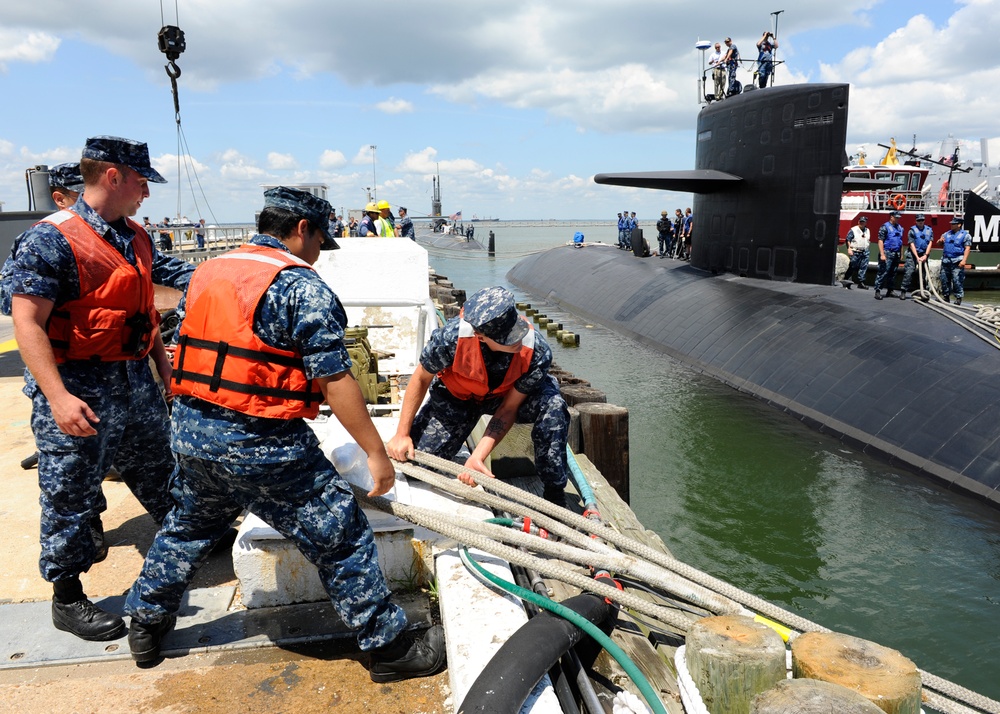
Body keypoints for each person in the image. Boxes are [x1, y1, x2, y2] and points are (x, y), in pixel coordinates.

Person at [123, 186, 446, 679]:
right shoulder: (301, 287)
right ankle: (390, 648)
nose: (320, 254)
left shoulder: (207, 272)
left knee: (187, 526)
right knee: (341, 534)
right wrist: (376, 454)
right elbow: (335, 381)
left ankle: (145, 625)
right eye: (320, 241)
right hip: (264, 446)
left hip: (191, 435)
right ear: (301, 230)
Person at [0, 135, 195, 642]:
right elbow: (27, 323)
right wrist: (58, 398)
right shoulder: (51, 238)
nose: (145, 194)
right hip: (78, 385)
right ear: (113, 176)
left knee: (160, 467)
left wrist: (163, 368)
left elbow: (144, 309)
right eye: (140, 182)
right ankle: (67, 597)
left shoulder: (134, 236)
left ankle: (184, 540)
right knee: (70, 491)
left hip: (134, 379)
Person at [387, 286, 571, 506]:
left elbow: (509, 409)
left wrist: (478, 457)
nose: (517, 340)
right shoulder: (450, 339)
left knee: (553, 405)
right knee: (416, 468)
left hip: (504, 398)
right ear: (480, 336)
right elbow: (420, 378)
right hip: (457, 398)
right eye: (507, 338)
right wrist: (402, 433)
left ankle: (554, 492)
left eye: (517, 331)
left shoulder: (536, 350)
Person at [899, 214, 934, 299]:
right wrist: (917, 257)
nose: (920, 222)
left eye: (922, 220)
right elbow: (911, 244)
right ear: (916, 221)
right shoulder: (912, 231)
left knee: (923, 273)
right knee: (909, 272)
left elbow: (930, 243)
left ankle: (922, 290)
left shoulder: (929, 230)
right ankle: (903, 291)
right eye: (919, 220)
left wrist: (925, 255)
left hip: (924, 254)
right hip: (913, 253)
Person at [940, 216, 972, 305]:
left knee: (957, 279)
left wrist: (964, 260)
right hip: (946, 260)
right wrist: (940, 241)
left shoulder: (965, 235)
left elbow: (967, 248)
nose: (951, 225)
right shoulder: (946, 234)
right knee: (944, 279)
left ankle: (958, 297)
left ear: (959, 225)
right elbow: (939, 243)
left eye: (953, 224)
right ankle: (946, 296)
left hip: (957, 261)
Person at [873, 211, 904, 300]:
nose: (897, 219)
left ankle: (890, 290)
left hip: (896, 253)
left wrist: (901, 254)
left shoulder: (899, 228)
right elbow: (880, 241)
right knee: (883, 272)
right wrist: (882, 254)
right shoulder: (885, 227)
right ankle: (878, 291)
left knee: (893, 273)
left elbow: (900, 241)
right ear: (891, 217)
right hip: (887, 252)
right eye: (896, 217)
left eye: (898, 217)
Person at [843, 215, 871, 289]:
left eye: (863, 222)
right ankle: (846, 280)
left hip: (865, 251)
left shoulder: (867, 230)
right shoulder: (853, 230)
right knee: (852, 265)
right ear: (858, 222)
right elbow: (848, 239)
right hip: (855, 250)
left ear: (866, 223)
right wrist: (849, 249)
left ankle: (861, 282)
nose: (861, 223)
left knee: (863, 267)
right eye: (860, 221)